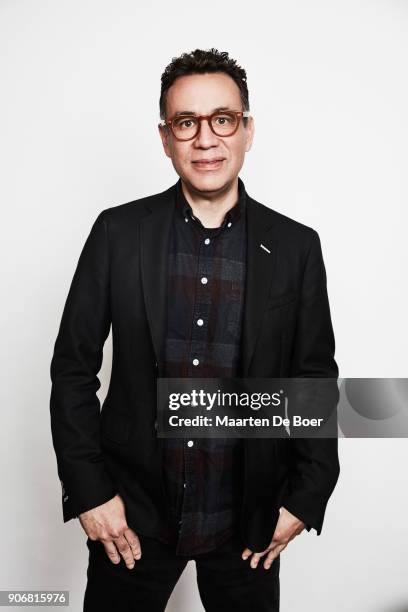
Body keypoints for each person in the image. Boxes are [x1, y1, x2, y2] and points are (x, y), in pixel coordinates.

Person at [49, 48, 340, 612]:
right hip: (129, 520)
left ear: (247, 130)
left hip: (249, 524)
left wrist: (307, 495)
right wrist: (90, 493)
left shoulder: (297, 247)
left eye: (222, 119)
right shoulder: (118, 233)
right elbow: (72, 370)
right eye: (187, 123)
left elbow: (313, 377)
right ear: (166, 138)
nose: (205, 139)